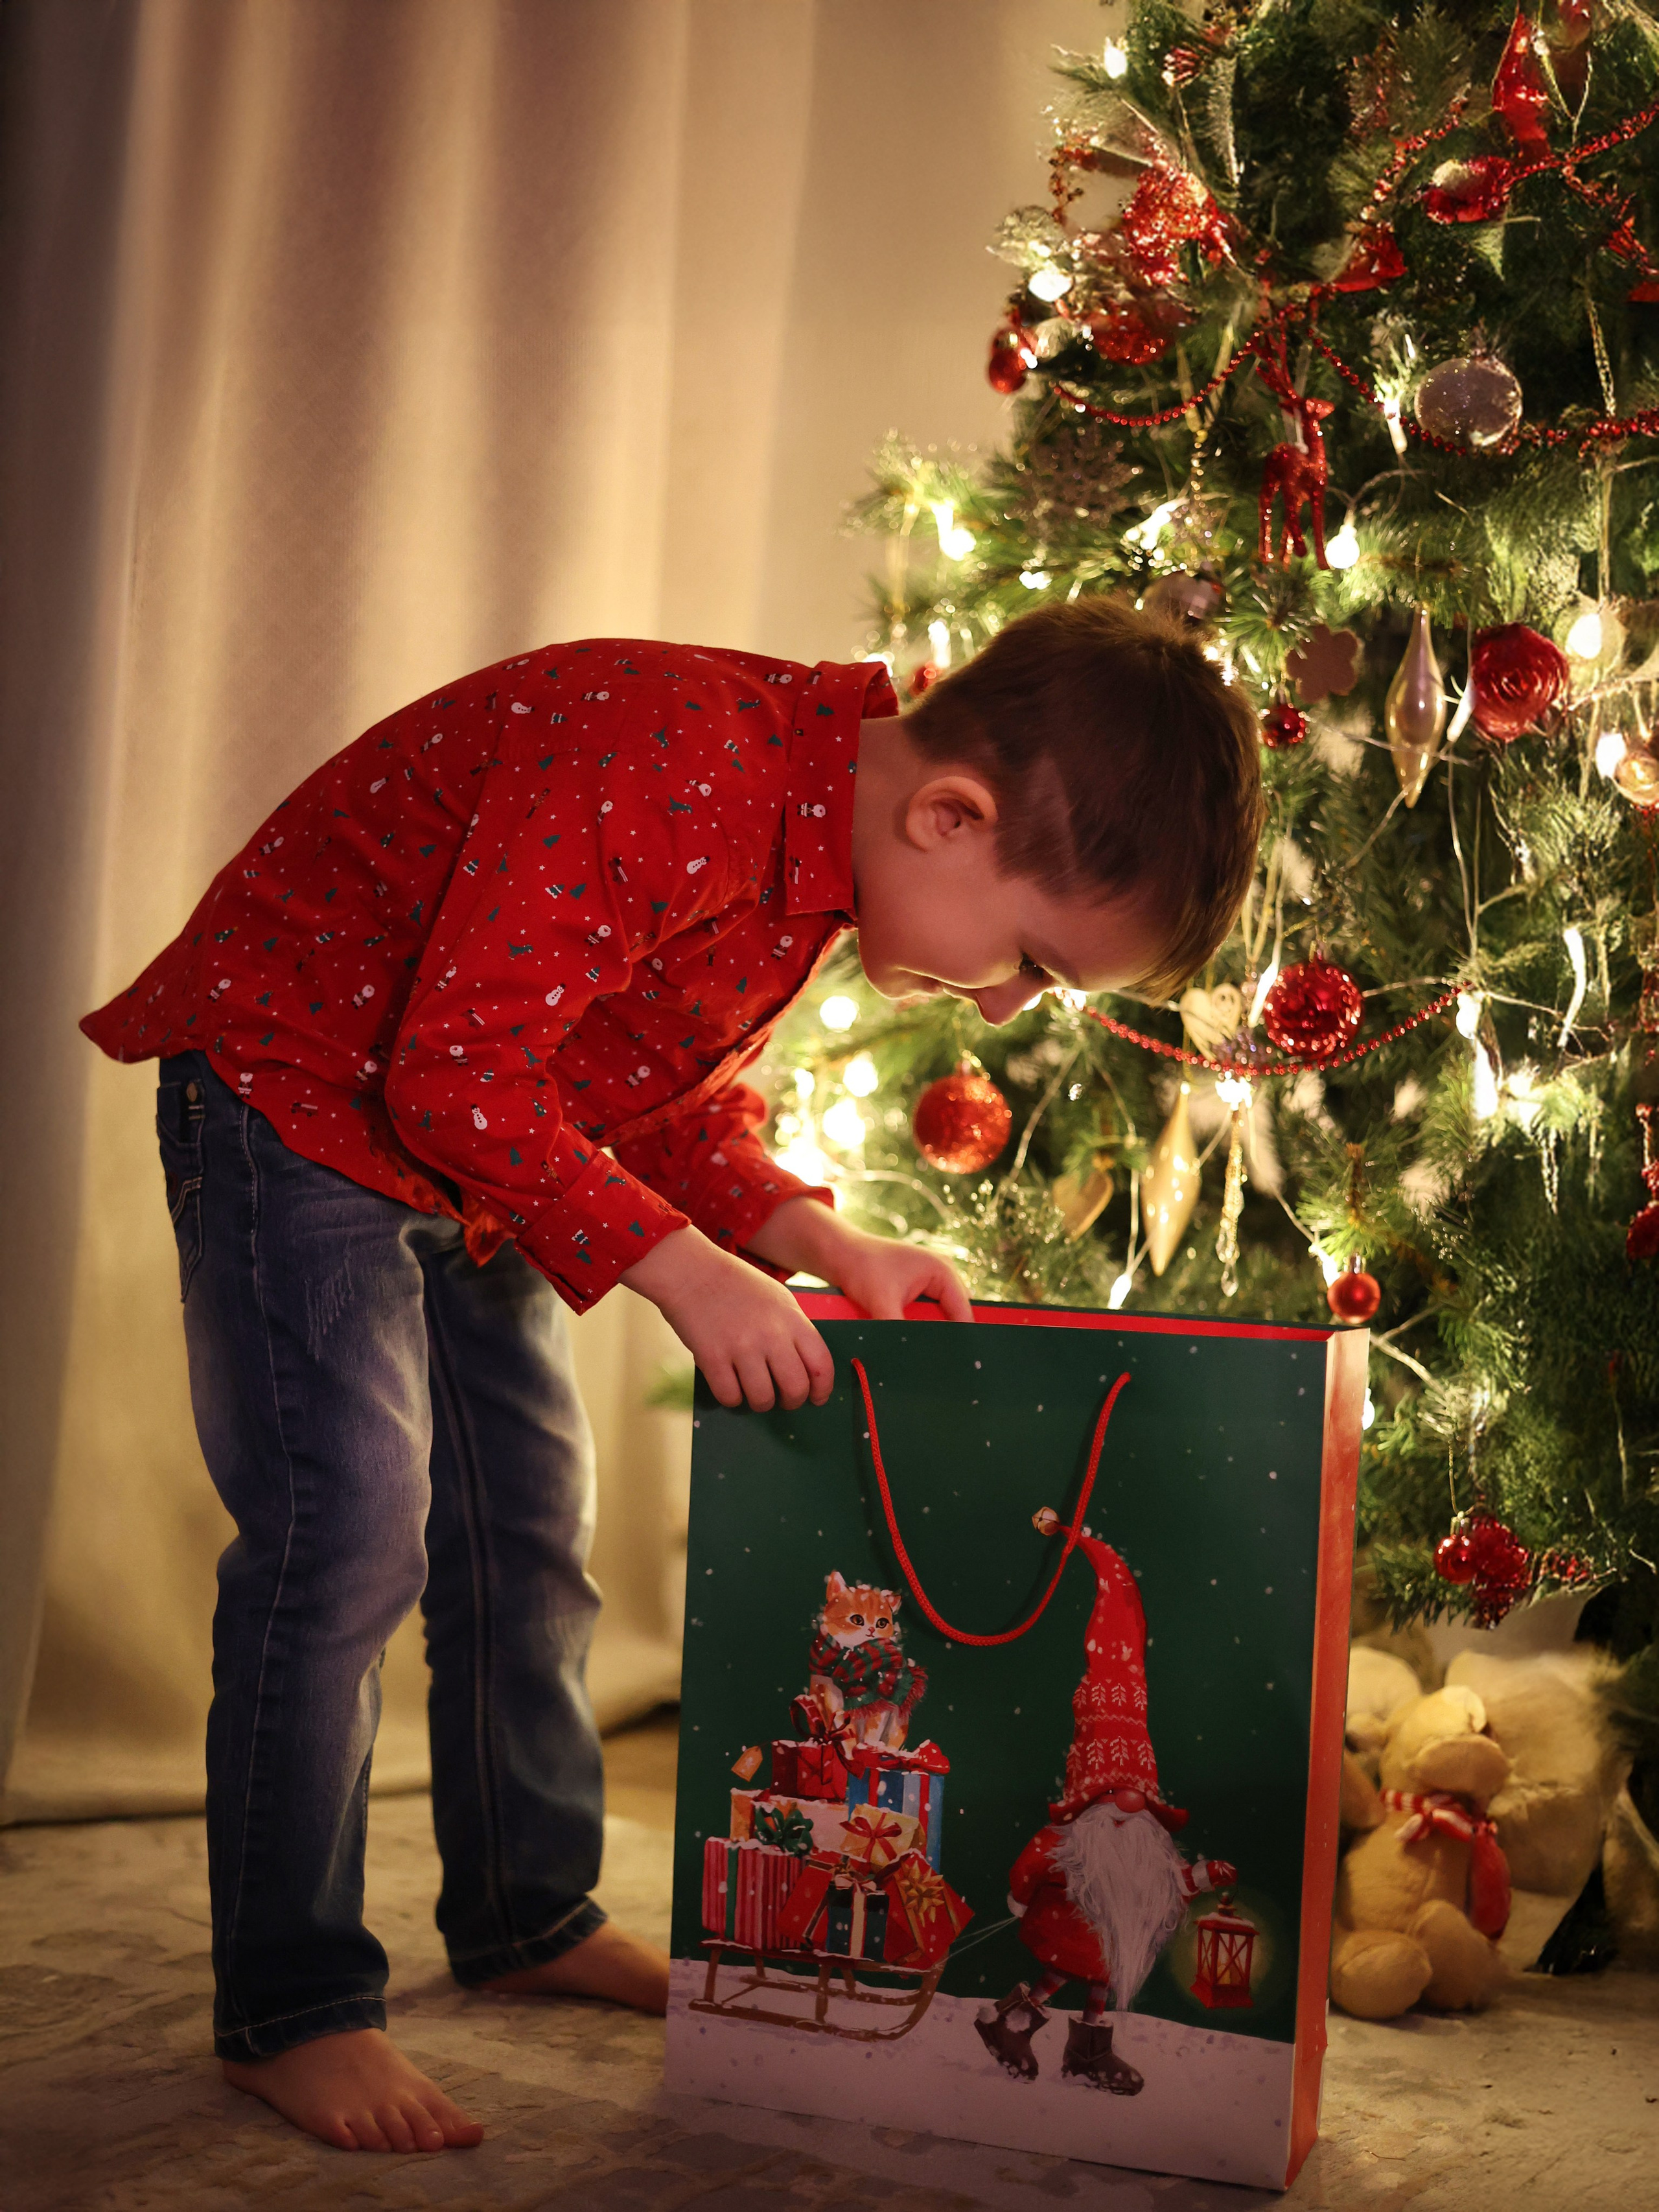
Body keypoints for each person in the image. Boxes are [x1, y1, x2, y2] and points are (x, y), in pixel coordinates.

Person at [82, 598, 1262, 2153]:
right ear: (949, 813)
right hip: (299, 1090)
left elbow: (637, 1084)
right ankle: (290, 2000)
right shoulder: (674, 762)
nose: (995, 1006)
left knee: (527, 1533)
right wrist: (685, 1269)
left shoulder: (812, 859)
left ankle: (525, 1908)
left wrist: (809, 1235)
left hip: (469, 1145)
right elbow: (460, 1063)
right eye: (1030, 964)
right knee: (348, 1533)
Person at [976, 1512, 1238, 2094]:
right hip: (1069, 1931)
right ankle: (1008, 2020)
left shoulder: (1143, 1851)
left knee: (1097, 1984)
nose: (1127, 1809)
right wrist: (1020, 1898)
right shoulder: (1072, 1845)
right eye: (1115, 1798)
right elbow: (1033, 1863)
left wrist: (1203, 1873)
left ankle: (1086, 2050)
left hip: (1113, 1940)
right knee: (1059, 1973)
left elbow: (1171, 1881)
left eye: (1137, 1801)